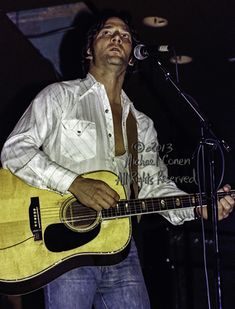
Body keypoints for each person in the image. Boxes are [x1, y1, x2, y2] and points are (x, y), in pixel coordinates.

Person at [1, 9, 234, 309]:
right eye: (107, 33)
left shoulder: (142, 124)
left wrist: (198, 206)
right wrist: (75, 183)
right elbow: (15, 151)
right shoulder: (58, 97)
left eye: (124, 36)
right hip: (65, 252)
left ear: (133, 56)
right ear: (89, 49)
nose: (117, 38)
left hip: (122, 248)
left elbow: (153, 187)